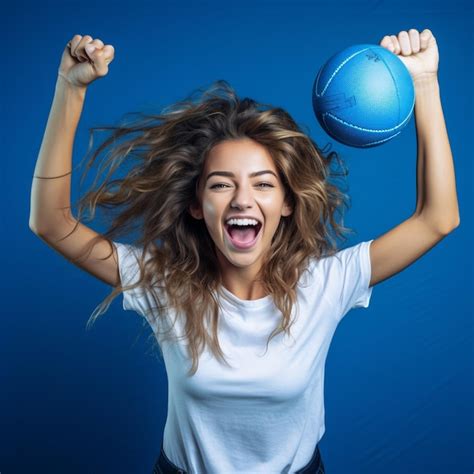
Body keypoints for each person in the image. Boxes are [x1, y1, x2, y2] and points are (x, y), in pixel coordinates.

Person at [29, 29, 459, 474]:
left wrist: (424, 84)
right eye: (220, 184)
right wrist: (70, 88)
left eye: (263, 184)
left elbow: (437, 218)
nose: (241, 199)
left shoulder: (325, 282)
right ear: (197, 205)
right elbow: (51, 222)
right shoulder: (164, 283)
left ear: (287, 203)